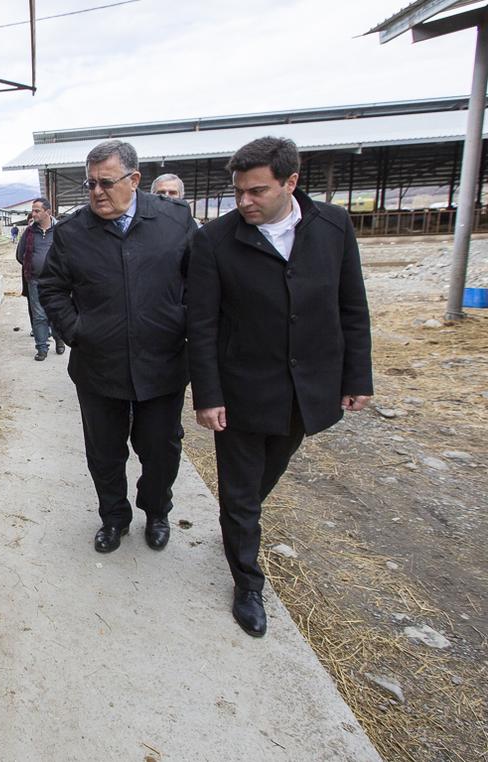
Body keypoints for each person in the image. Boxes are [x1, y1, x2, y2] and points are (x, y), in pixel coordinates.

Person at [188, 136, 373, 638]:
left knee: (265, 477)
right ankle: (248, 582)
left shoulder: (333, 227)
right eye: (239, 192)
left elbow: (351, 307)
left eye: (257, 191)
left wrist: (357, 376)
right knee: (241, 490)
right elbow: (201, 323)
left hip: (305, 389)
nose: (244, 201)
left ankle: (236, 523)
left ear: (292, 182)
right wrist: (208, 394)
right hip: (243, 388)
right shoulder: (215, 241)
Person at [37, 140, 195, 553]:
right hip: (99, 366)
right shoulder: (73, 233)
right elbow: (50, 286)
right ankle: (114, 518)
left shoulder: (173, 222)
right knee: (105, 454)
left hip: (161, 364)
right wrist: (76, 330)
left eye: (105, 183)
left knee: (161, 451)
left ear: (134, 179)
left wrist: (180, 321)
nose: (96, 193)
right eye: (90, 184)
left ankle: (157, 511)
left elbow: (200, 280)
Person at [15, 198, 64, 360]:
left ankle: (59, 339)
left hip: (57, 281)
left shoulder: (61, 230)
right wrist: (33, 266)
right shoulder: (29, 232)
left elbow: (70, 253)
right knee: (39, 315)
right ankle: (42, 348)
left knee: (56, 312)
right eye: (33, 210)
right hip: (35, 280)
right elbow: (19, 254)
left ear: (48, 212)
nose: (33, 214)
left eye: (37, 211)